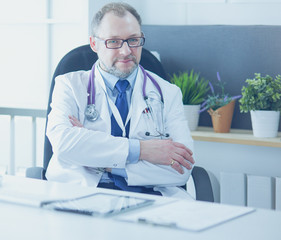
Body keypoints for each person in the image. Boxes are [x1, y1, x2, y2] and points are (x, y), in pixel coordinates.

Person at [46, 2, 195, 198]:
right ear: (94, 44)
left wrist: (100, 159)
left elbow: (182, 169)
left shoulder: (168, 93)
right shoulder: (69, 85)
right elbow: (64, 145)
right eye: (114, 42)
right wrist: (142, 150)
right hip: (81, 196)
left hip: (150, 198)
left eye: (133, 40)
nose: (126, 51)